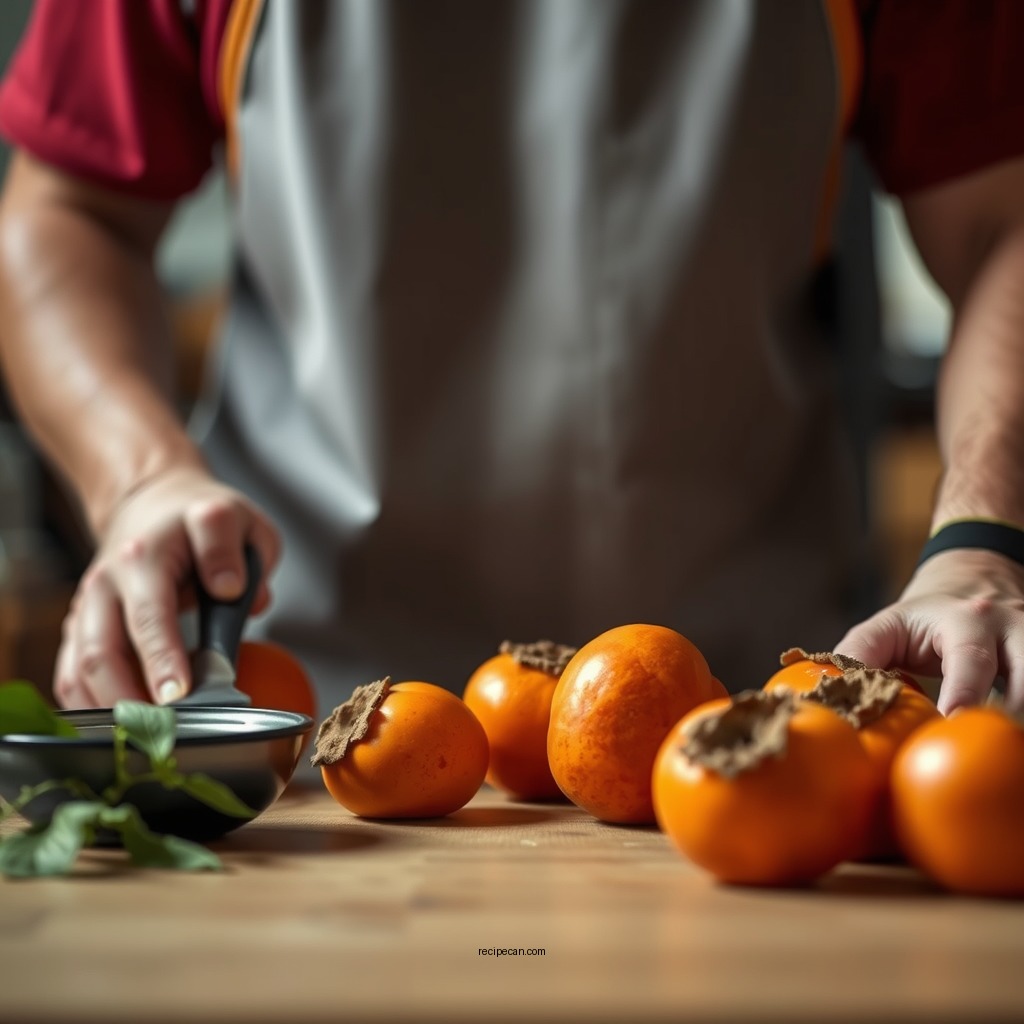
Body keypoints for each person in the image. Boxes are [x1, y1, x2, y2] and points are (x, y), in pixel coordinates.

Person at [0, 0, 1022, 719]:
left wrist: (984, 531)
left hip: (762, 715)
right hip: (298, 724)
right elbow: (68, 213)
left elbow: (1000, 227)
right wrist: (140, 477)